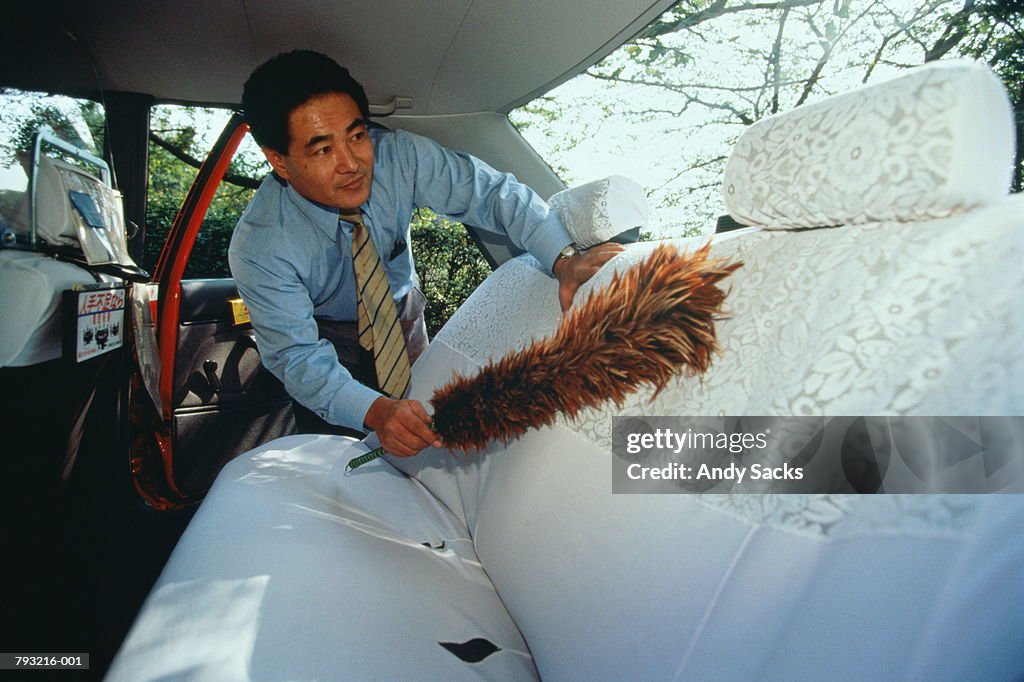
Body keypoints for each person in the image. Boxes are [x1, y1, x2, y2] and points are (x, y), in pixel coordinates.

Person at [228, 50, 622, 458]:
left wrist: (563, 258)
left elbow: (491, 193)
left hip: (403, 317)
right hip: (325, 341)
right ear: (280, 161)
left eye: (357, 135)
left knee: (429, 438)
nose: (352, 163)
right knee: (345, 465)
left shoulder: (401, 157)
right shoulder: (259, 246)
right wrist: (376, 411)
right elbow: (296, 355)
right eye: (323, 150)